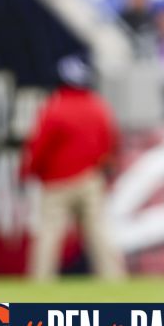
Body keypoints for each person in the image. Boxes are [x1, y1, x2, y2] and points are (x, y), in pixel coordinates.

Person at [20, 55, 125, 282]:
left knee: (49, 234)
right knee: (99, 234)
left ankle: (40, 283)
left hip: (56, 182)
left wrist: (29, 172)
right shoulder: (97, 106)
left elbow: (38, 147)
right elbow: (110, 143)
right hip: (90, 179)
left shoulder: (55, 107)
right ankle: (114, 281)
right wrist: (104, 169)